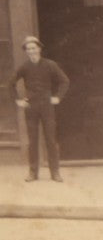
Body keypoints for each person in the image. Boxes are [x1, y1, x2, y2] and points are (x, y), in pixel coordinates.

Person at [8, 36, 69, 182]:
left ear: (39, 49)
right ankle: (33, 172)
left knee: (50, 139)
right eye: (28, 49)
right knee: (32, 140)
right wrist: (18, 100)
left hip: (47, 107)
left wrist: (58, 97)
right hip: (31, 107)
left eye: (33, 48)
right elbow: (10, 84)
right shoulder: (24, 67)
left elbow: (64, 81)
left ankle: (55, 172)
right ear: (26, 52)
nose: (31, 51)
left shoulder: (50, 65)